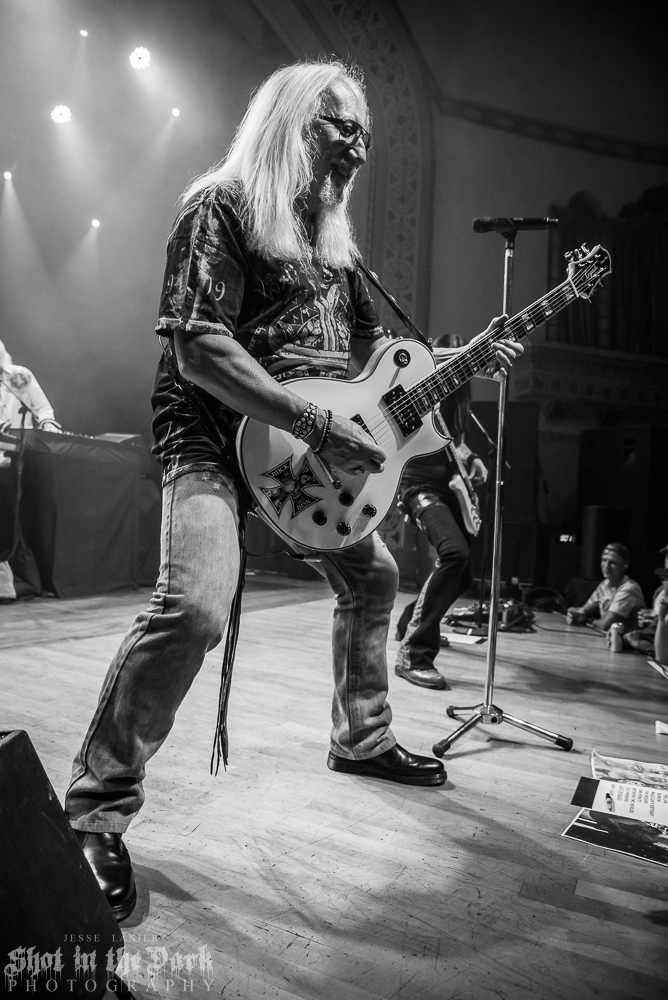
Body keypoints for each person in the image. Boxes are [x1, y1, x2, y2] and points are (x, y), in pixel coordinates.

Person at [63, 60, 523, 922]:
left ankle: (362, 736)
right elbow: (199, 346)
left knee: (377, 576)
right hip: (209, 437)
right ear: (286, 120)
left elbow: (374, 380)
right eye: (339, 125)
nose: (357, 146)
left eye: (366, 136)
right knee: (196, 607)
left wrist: (458, 371)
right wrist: (314, 424)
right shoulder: (222, 205)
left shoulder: (336, 252)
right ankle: (93, 808)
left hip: (304, 459)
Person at [393, 337, 487, 689]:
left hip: (448, 485)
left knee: (464, 575)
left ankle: (409, 621)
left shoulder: (460, 397)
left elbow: (454, 440)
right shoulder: (422, 385)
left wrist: (472, 458)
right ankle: (413, 654)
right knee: (454, 553)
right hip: (417, 485)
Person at [0, 339, 61, 601]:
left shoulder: (19, 378)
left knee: (7, 522)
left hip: (12, 459)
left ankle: (5, 588)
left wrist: (47, 423)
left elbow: (42, 407)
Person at [566, 542, 645, 640]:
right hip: (610, 641)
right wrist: (574, 614)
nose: (606, 566)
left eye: (612, 563)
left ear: (625, 565)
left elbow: (604, 625)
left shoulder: (629, 588)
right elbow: (583, 611)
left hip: (629, 649)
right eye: (604, 560)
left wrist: (587, 620)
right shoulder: (605, 584)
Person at [622, 543, 668, 656]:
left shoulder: (629, 588)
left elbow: (663, 656)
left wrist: (661, 620)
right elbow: (651, 636)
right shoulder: (660, 592)